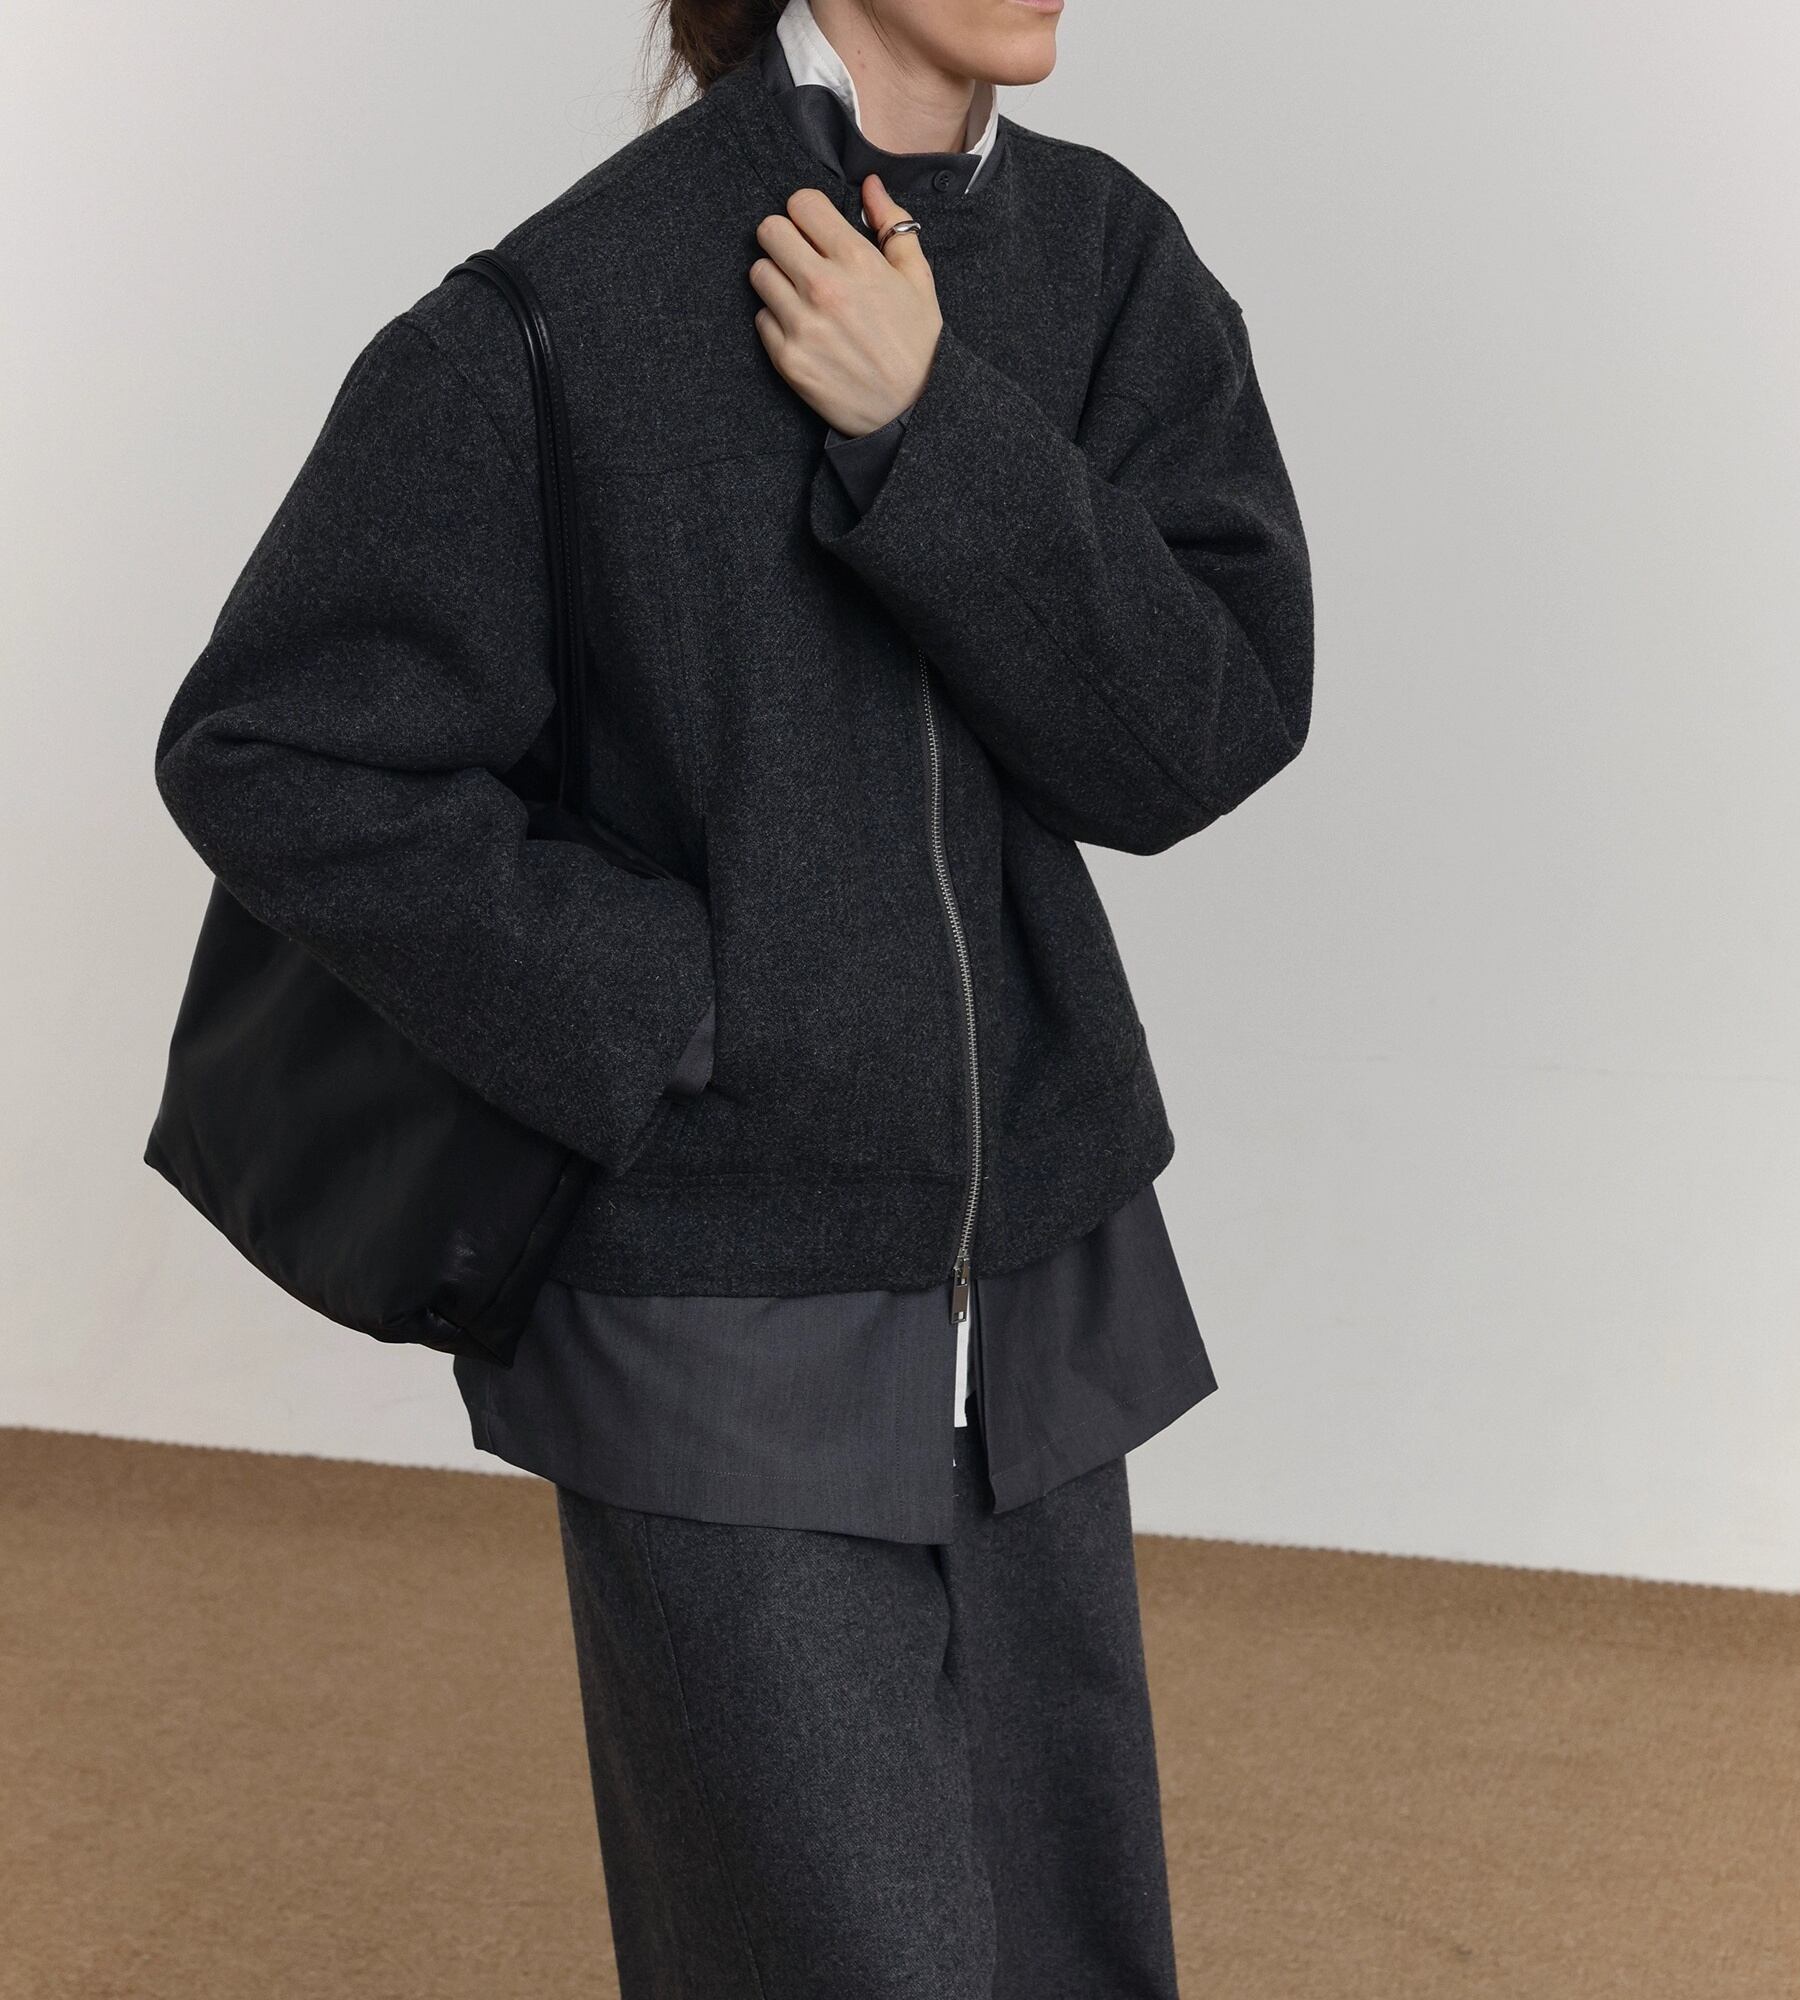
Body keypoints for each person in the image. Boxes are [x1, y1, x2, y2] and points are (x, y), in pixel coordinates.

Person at [152, 0, 1314, 1991]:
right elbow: (270, 749)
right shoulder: (570, 308)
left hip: (1034, 1296)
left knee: (1073, 1955)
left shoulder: (1109, 262)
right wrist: (675, 1000)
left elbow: (1197, 733)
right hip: (716, 1303)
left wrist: (929, 425)